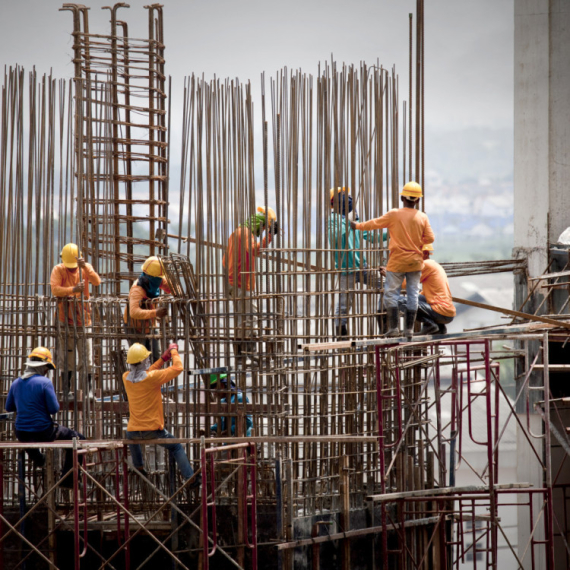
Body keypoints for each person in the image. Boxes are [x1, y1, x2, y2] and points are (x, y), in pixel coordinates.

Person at [350, 182, 434, 338]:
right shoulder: (422, 217)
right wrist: (416, 245)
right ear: (418, 200)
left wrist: (357, 226)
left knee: (391, 294)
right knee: (413, 294)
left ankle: (394, 328)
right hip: (415, 262)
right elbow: (430, 238)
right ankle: (409, 329)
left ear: (402, 197)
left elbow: (374, 223)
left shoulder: (394, 214)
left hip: (397, 262)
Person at [5, 347, 86, 487]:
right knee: (78, 440)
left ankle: (38, 458)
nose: (47, 371)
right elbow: (54, 409)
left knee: (28, 438)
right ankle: (68, 480)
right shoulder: (45, 383)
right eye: (47, 368)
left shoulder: (16, 383)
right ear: (42, 367)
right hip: (43, 431)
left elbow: (9, 407)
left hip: (21, 433)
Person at [123, 342, 199, 486]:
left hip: (133, 431)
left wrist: (162, 360)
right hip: (152, 430)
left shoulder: (126, 378)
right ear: (143, 361)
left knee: (130, 436)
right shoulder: (152, 378)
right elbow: (178, 368)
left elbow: (146, 373)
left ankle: (139, 466)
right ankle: (190, 478)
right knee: (176, 446)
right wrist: (174, 351)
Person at [328, 187, 387, 338]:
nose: (349, 200)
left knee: (387, 287)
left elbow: (371, 237)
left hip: (363, 268)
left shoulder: (351, 220)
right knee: (343, 307)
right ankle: (342, 337)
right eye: (344, 197)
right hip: (346, 270)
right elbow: (335, 237)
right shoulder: (333, 220)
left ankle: (383, 319)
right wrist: (350, 224)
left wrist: (391, 232)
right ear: (335, 202)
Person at [223, 206, 278, 361]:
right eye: (264, 228)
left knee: (242, 317)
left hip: (234, 281)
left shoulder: (236, 232)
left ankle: (241, 355)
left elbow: (225, 259)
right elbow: (254, 250)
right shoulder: (246, 233)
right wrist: (269, 237)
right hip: (241, 281)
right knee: (249, 317)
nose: (262, 231)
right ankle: (248, 352)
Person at [50, 243, 101, 398]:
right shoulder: (58, 270)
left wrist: (85, 267)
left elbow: (97, 281)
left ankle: (88, 391)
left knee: (87, 357)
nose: (72, 269)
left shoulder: (85, 268)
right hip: (64, 320)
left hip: (84, 320)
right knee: (67, 357)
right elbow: (55, 289)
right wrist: (73, 290)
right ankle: (66, 391)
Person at [396, 244, 455, 335]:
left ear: (426, 253)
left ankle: (430, 325)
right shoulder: (434, 265)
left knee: (399, 301)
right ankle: (439, 328)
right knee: (418, 298)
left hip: (441, 312)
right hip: (446, 313)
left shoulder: (427, 265)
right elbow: (424, 294)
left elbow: (406, 284)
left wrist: (391, 276)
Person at [124, 256, 170, 363]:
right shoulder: (137, 289)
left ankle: (155, 379)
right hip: (135, 327)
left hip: (150, 324)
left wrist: (177, 290)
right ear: (149, 276)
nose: (159, 281)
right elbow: (134, 312)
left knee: (156, 358)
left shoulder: (157, 280)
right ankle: (140, 379)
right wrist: (156, 312)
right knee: (140, 360)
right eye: (157, 278)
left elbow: (172, 288)